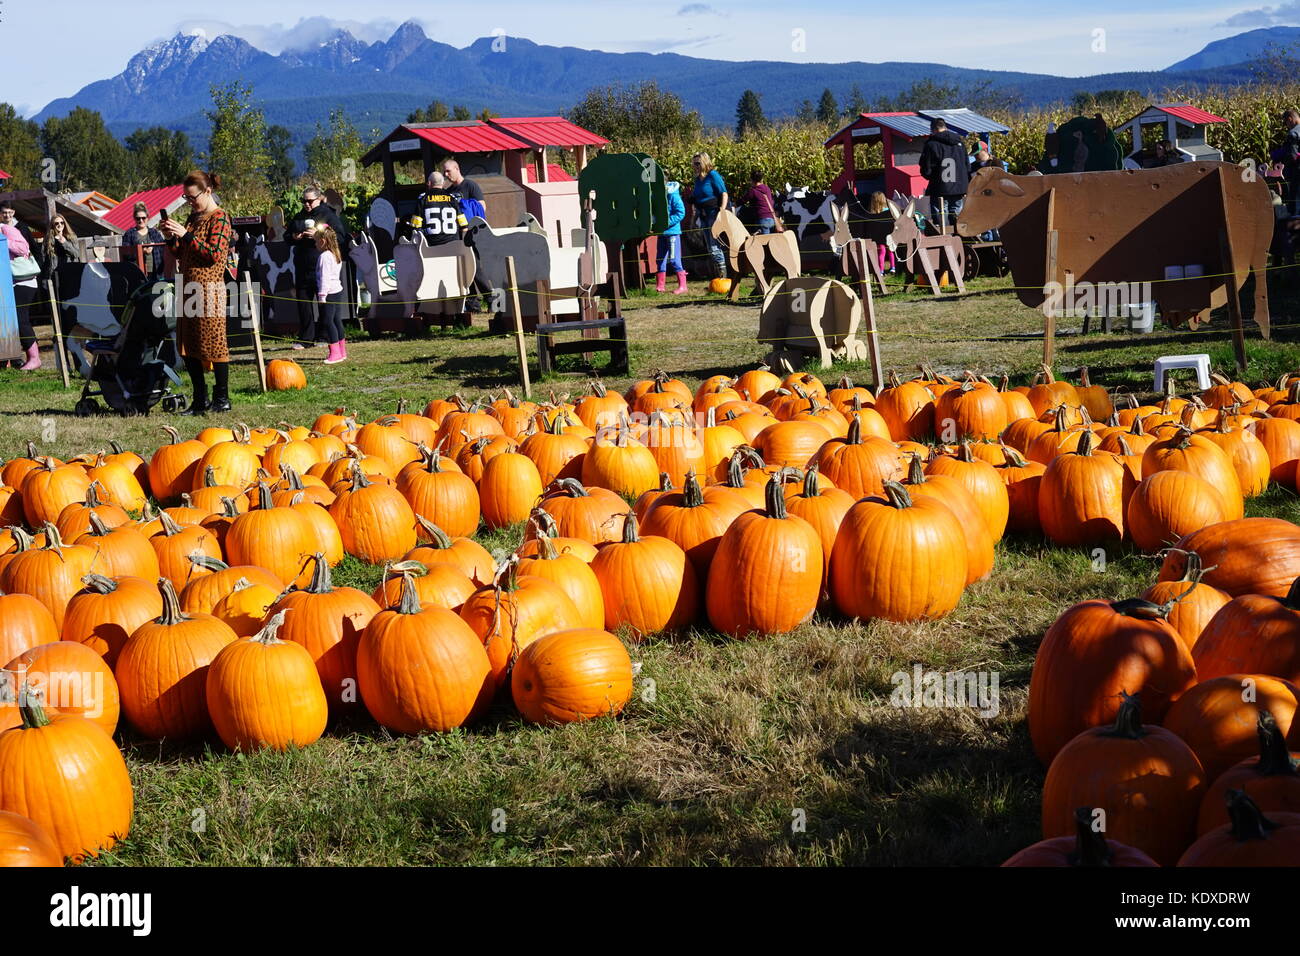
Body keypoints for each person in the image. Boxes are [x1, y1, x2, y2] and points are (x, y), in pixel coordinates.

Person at [161, 170, 234, 415]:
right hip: (189, 288)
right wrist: (171, 238)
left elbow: (213, 253)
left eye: (193, 197)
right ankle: (200, 399)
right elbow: (180, 252)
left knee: (215, 343)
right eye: (187, 198)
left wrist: (186, 234)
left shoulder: (220, 218)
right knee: (189, 345)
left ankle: (222, 397)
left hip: (210, 289)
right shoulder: (193, 218)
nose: (191, 202)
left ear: (208, 191)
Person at [289, 184, 346, 349]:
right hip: (302, 266)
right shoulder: (299, 216)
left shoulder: (328, 215)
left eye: (310, 201)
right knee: (304, 304)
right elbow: (287, 236)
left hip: (322, 268)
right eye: (303, 201)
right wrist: (295, 237)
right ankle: (306, 339)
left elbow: (341, 237)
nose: (306, 204)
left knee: (324, 304)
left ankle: (324, 336)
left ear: (319, 199)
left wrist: (318, 235)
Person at [2, 219, 42, 370]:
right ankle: (7, 360)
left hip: (23, 282)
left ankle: (34, 358)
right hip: (7, 285)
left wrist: (3, 242)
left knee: (20, 318)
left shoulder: (5, 229)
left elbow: (23, 248)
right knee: (6, 322)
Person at [919, 118, 970, 231]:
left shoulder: (931, 144)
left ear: (933, 129)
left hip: (939, 187)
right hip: (959, 188)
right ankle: (960, 238)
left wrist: (931, 177)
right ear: (945, 127)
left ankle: (945, 239)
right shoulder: (960, 143)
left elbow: (926, 169)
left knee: (941, 218)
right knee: (957, 214)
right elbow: (967, 166)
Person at [689, 152, 728, 276]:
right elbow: (696, 198)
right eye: (693, 163)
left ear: (705, 162)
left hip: (713, 214)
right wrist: (694, 217)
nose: (695, 166)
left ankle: (723, 277)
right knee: (710, 248)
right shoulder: (697, 180)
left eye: (697, 163)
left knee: (714, 245)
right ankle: (717, 275)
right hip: (703, 215)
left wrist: (721, 211)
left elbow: (724, 193)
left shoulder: (712, 175)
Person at [313, 224, 347, 365]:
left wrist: (322, 296)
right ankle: (342, 351)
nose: (315, 244)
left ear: (323, 241)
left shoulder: (325, 257)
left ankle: (335, 353)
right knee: (336, 320)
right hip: (336, 290)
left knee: (328, 321)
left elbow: (325, 278)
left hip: (329, 293)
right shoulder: (335, 253)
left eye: (316, 241)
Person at [412, 170, 467, 245]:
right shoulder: (453, 198)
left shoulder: (423, 199)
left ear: (429, 183)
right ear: (443, 183)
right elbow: (463, 224)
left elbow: (416, 226)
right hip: (453, 244)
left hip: (432, 245)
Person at [656, 180, 687, 294]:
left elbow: (681, 212)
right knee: (660, 259)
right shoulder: (657, 195)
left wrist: (666, 222)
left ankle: (683, 286)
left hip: (672, 233)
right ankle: (660, 285)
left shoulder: (673, 195)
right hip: (661, 233)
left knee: (674, 259)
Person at [120, 202, 165, 276]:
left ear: (148, 218)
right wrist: (140, 251)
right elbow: (125, 254)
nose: (141, 220)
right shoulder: (129, 234)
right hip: (137, 273)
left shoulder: (154, 233)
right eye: (138, 218)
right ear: (134, 219)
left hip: (156, 272)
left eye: (143, 218)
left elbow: (163, 250)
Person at [863, 191, 896, 274]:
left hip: (878, 237)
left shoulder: (871, 213)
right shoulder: (888, 211)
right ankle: (893, 267)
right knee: (891, 250)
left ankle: (881, 270)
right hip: (888, 235)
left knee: (882, 252)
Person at [740, 169, 779, 234]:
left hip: (762, 220)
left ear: (752, 180)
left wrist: (733, 205)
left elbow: (742, 201)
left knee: (764, 242)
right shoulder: (767, 188)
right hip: (772, 219)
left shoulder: (753, 191)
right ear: (761, 179)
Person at [1284, 110, 1300, 214]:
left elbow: (1293, 156)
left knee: (1294, 194)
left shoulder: (1293, 133)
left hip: (1298, 170)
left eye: (1286, 123)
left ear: (1290, 119)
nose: (1287, 126)